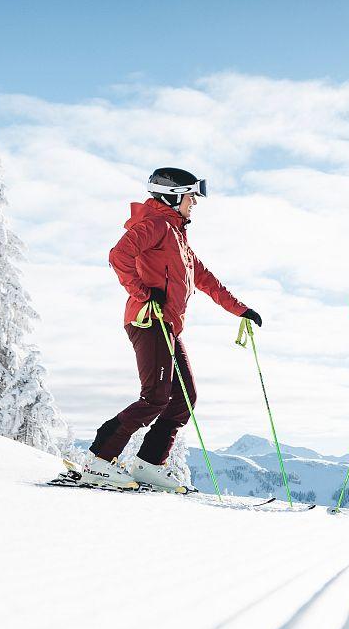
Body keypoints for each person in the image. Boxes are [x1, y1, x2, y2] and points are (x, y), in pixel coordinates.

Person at [80, 167, 261, 490]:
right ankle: (99, 459)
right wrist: (144, 293)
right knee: (155, 397)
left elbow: (207, 280)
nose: (194, 204)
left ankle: (149, 463)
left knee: (183, 398)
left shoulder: (177, 236)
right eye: (191, 197)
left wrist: (242, 310)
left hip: (167, 326)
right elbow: (118, 255)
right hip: (148, 320)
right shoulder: (155, 225)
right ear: (173, 196)